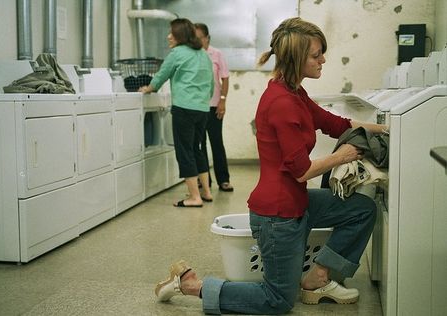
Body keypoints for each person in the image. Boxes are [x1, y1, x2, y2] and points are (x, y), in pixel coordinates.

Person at [153, 17, 387, 314]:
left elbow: (334, 123)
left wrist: (386, 128)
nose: (323, 59)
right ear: (296, 58)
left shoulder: (294, 93)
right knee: (277, 300)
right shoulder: (281, 102)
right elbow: (301, 170)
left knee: (362, 209)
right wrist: (343, 156)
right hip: (278, 216)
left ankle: (318, 278)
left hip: (297, 201)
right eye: (316, 55)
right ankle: (191, 286)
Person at [139, 18, 214, 207]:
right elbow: (211, 84)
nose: (168, 36)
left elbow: (162, 75)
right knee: (197, 149)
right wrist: (203, 100)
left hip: (184, 109)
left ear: (180, 35)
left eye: (172, 33)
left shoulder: (177, 53)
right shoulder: (203, 54)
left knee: (184, 151)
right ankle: (206, 192)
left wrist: (149, 88)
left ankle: (194, 197)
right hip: (202, 109)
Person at [194, 23, 234, 192]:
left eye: (199, 37)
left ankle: (223, 180)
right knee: (199, 144)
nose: (195, 41)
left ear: (207, 38)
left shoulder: (217, 54)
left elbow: (224, 78)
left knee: (216, 142)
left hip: (214, 107)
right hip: (197, 107)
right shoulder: (192, 54)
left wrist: (222, 101)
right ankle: (204, 180)